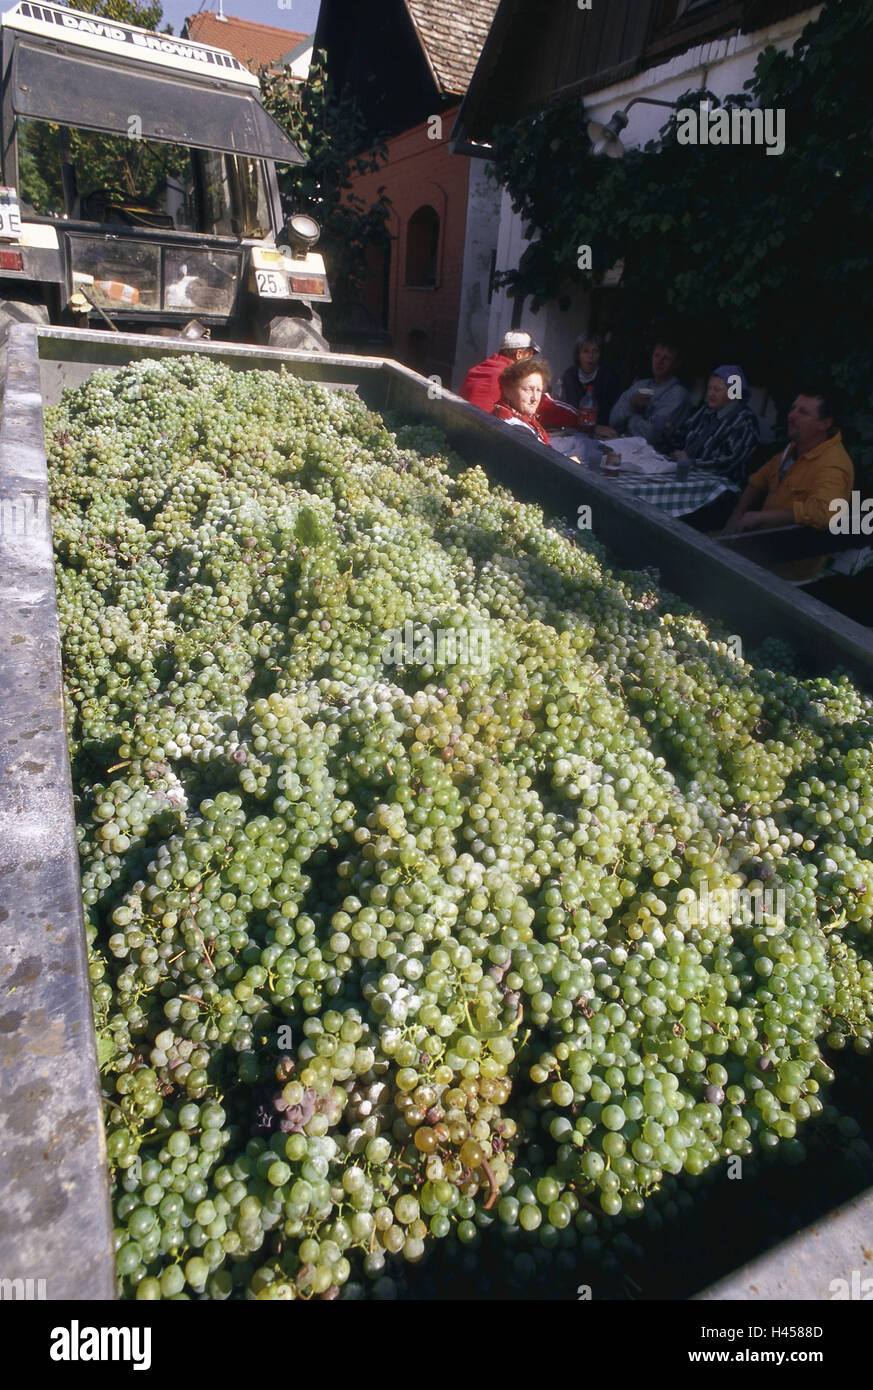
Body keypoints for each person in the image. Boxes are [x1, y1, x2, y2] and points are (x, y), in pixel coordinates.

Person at [720, 386, 854, 580]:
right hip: (760, 544)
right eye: (793, 408)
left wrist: (761, 517)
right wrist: (737, 515)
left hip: (788, 561)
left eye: (803, 412)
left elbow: (824, 512)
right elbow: (758, 480)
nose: (791, 415)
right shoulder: (796, 447)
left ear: (825, 424)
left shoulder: (833, 465)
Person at [461, 330, 578, 430]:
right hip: (486, 435)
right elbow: (545, 406)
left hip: (464, 425)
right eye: (530, 356)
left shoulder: (479, 369)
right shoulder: (509, 377)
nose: (531, 361)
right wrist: (580, 418)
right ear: (519, 354)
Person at [670, 365, 760, 489]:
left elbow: (728, 462)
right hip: (689, 477)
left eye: (717, 389)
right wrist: (667, 430)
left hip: (720, 489)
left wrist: (691, 463)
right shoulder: (706, 410)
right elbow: (681, 435)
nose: (711, 393)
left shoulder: (744, 421)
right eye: (709, 388)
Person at [602, 340, 689, 447]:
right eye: (656, 355)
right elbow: (613, 421)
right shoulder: (640, 384)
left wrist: (630, 418)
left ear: (676, 364)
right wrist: (631, 404)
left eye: (666, 358)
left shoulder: (677, 394)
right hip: (622, 446)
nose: (659, 361)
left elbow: (650, 436)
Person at [558, 332, 620, 423]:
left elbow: (611, 412)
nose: (590, 356)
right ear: (578, 355)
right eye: (585, 351)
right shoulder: (569, 376)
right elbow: (565, 408)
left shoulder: (608, 378)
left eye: (595, 351)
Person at [492, 356, 552, 444]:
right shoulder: (516, 428)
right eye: (528, 389)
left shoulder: (523, 420)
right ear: (508, 391)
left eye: (538, 390)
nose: (535, 398)